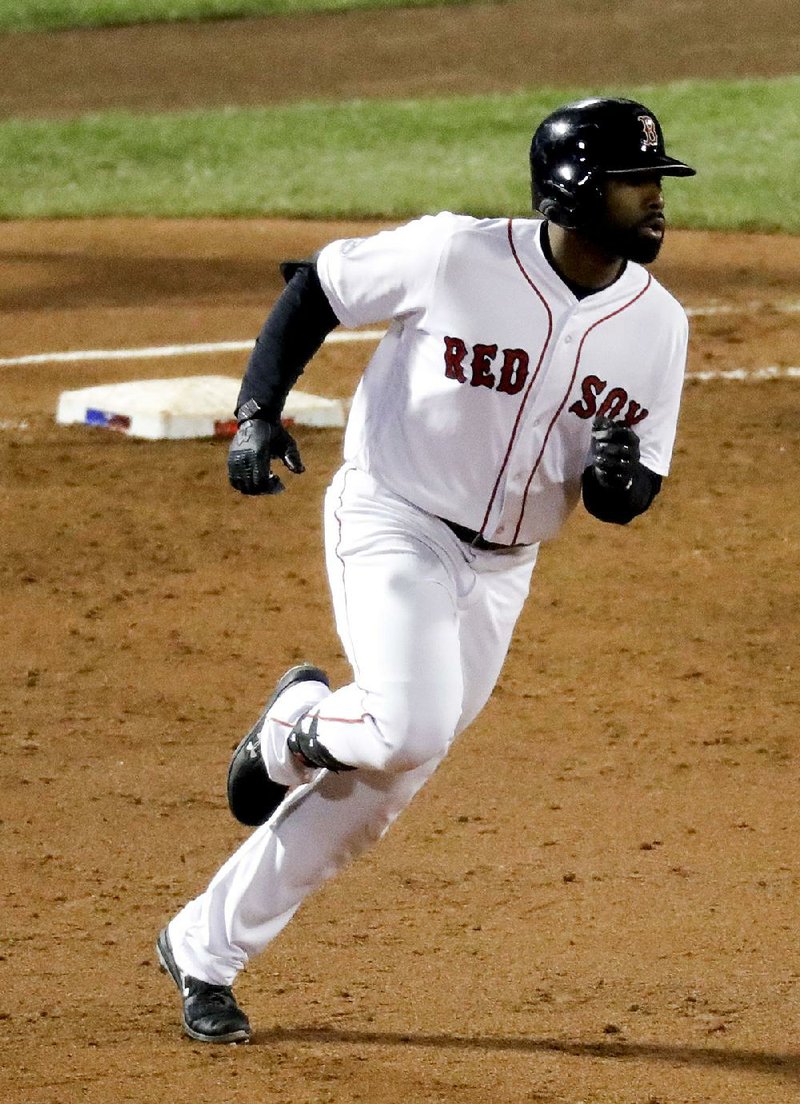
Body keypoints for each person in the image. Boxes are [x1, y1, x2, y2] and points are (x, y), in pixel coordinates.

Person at [156, 96, 696, 1043]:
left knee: (374, 797)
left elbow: (631, 488)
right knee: (405, 723)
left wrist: (619, 484)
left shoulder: (658, 325)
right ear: (573, 190)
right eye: (637, 183)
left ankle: (203, 950)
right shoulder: (457, 255)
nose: (658, 202)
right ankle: (293, 725)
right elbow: (319, 288)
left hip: (503, 570)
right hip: (393, 515)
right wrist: (256, 412)